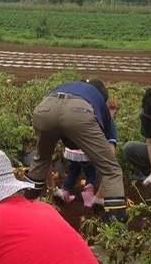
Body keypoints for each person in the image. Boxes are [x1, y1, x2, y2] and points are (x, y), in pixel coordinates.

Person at [23, 78, 126, 222]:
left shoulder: (69, 86)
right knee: (112, 170)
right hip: (79, 113)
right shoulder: (99, 102)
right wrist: (99, 197)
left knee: (41, 159)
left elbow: (45, 160)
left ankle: (22, 211)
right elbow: (110, 157)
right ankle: (118, 231)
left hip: (45, 108)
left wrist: (53, 188)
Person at [55, 99, 118, 207]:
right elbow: (105, 129)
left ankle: (65, 193)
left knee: (73, 172)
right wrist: (111, 112)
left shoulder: (72, 111)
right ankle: (88, 199)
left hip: (71, 152)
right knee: (91, 173)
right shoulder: (92, 112)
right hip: (87, 152)